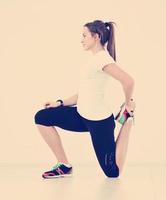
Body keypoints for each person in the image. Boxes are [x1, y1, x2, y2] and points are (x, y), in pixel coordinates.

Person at [34, 20, 136, 179]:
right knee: (42, 117)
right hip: (81, 115)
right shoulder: (93, 60)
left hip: (99, 121)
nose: (81, 39)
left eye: (84, 35)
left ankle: (127, 122)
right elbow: (84, 93)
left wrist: (128, 104)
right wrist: (59, 103)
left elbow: (128, 81)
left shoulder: (103, 59)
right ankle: (64, 165)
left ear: (96, 36)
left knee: (112, 172)